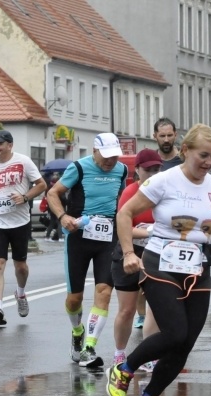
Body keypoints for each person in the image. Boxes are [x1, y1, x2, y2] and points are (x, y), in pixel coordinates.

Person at [107, 123, 211, 396]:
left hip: (198, 268)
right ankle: (124, 369)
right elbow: (125, 213)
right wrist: (128, 254)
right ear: (186, 150)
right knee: (174, 332)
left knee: (185, 344)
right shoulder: (164, 181)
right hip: (160, 263)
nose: (208, 162)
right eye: (203, 155)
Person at [45, 133, 128, 368]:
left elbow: (122, 200)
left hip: (108, 237)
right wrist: (63, 217)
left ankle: (89, 347)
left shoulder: (121, 170)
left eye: (114, 157)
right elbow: (52, 193)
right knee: (75, 299)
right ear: (95, 151)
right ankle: (77, 331)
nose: (110, 161)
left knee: (104, 291)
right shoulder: (79, 168)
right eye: (106, 156)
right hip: (79, 236)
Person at [0, 130, 47, 326]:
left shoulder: (23, 162)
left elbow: (41, 185)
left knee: (21, 267)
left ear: (10, 145)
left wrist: (25, 197)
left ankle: (21, 293)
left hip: (19, 222)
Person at [111, 148, 162, 367]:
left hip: (156, 254)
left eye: (156, 169)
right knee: (127, 309)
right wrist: (150, 231)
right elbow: (124, 228)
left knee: (155, 309)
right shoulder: (130, 193)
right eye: (148, 170)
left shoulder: (165, 191)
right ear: (138, 170)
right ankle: (119, 353)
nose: (152, 174)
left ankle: (149, 356)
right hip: (129, 252)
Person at [43, 173, 62, 242]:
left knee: (52, 222)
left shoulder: (49, 187)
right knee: (59, 222)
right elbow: (62, 198)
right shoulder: (57, 188)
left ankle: (47, 236)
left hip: (51, 207)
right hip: (57, 206)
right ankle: (60, 237)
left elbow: (46, 196)